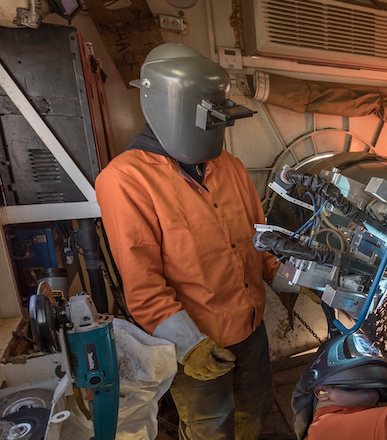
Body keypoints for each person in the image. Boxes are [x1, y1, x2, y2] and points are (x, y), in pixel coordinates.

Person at [96, 43, 281, 440]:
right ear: (172, 106)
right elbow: (143, 285)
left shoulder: (227, 166)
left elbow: (261, 242)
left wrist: (299, 279)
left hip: (251, 329)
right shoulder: (125, 180)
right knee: (211, 428)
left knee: (256, 411)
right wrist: (188, 344)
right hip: (197, 341)